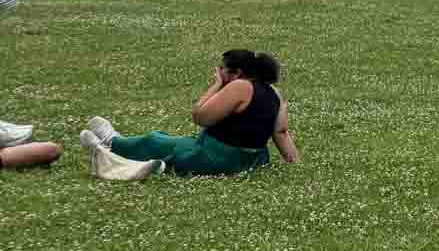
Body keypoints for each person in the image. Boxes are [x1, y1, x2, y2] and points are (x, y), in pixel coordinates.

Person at [80, 48, 298, 180]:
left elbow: (200, 117)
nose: (218, 72)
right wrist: (294, 163)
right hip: (253, 160)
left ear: (237, 72)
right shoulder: (275, 93)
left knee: (154, 140)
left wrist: (216, 86)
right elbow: (281, 132)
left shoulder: (240, 87)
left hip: (216, 158)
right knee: (170, 141)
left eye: (221, 70)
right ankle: (112, 144)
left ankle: (112, 142)